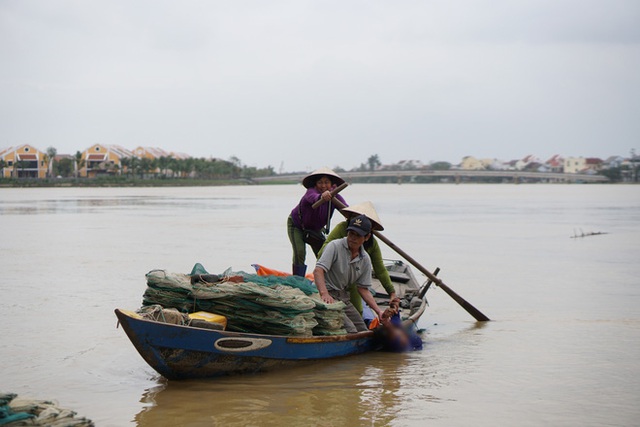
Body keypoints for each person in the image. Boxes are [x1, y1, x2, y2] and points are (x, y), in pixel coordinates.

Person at [320, 201, 397, 317]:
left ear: (368, 234)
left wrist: (391, 292)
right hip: (334, 279)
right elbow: (322, 254)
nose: (354, 237)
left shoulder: (371, 245)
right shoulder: (341, 231)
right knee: (333, 312)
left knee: (358, 311)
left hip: (353, 280)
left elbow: (380, 269)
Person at [313, 214, 384, 333]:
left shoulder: (365, 258)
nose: (353, 238)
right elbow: (318, 270)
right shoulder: (334, 246)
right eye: (351, 233)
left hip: (343, 297)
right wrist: (324, 294)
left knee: (362, 329)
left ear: (367, 237)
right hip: (325, 294)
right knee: (350, 330)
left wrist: (378, 311)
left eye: (358, 235)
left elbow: (363, 289)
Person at [287, 167, 348, 277]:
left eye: (326, 182)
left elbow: (347, 210)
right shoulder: (311, 192)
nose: (323, 186)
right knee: (300, 252)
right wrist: (322, 196)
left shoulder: (336, 197)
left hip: (315, 229)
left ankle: (328, 280)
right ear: (315, 184)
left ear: (332, 184)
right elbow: (314, 198)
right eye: (320, 182)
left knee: (323, 254)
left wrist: (357, 217)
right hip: (297, 226)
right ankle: (298, 280)